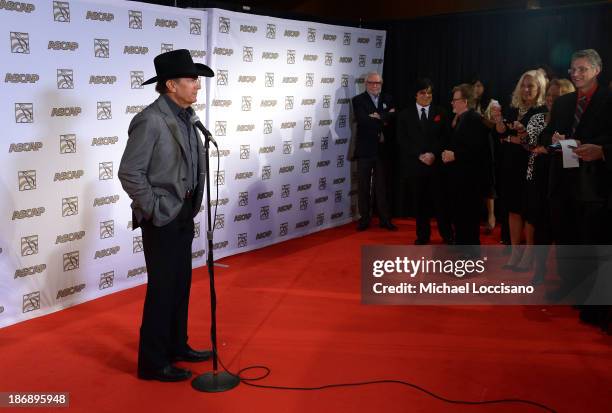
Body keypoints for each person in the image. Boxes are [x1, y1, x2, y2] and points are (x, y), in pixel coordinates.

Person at [118, 49, 214, 382]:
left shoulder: (188, 117)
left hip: (184, 213)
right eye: (191, 79)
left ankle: (177, 346)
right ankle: (152, 363)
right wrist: (156, 208)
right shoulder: (151, 119)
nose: (197, 85)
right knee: (162, 289)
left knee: (181, 285)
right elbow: (130, 172)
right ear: (171, 84)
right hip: (162, 217)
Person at [541, 49, 612, 306]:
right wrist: (552, 139)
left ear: (597, 70)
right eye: (573, 69)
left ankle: (592, 298)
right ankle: (568, 286)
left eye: (583, 69)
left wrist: (601, 150)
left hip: (594, 185)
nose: (577, 73)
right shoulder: (563, 102)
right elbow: (546, 134)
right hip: (562, 181)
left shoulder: (609, 99)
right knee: (565, 238)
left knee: (589, 240)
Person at [491, 70, 547, 271]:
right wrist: (498, 122)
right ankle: (515, 252)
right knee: (513, 209)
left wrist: (514, 137)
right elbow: (501, 133)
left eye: (530, 86)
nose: (526, 89)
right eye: (523, 85)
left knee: (529, 211)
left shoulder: (542, 110)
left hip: (531, 166)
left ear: (539, 88)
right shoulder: (514, 108)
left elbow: (536, 142)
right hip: (510, 164)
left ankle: (529, 254)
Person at [524, 79, 575, 284]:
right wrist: (549, 145)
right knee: (541, 226)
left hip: (566, 181)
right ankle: (539, 270)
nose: (554, 100)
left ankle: (566, 277)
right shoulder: (543, 118)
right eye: (551, 96)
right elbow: (536, 143)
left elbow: (572, 154)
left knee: (564, 230)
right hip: (542, 178)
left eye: (559, 96)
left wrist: (558, 146)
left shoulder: (574, 118)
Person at [396, 78, 452, 244]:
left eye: (429, 92)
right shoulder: (404, 115)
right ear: (416, 95)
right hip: (416, 166)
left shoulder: (441, 112)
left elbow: (445, 137)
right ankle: (422, 235)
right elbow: (402, 140)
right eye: (423, 92)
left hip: (437, 166)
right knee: (420, 204)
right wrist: (419, 155)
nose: (427, 95)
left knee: (441, 203)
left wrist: (433, 154)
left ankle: (447, 234)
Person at [442, 84, 489, 253]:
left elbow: (477, 150)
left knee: (467, 222)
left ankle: (468, 261)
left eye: (455, 100)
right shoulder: (464, 119)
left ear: (465, 101)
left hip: (469, 183)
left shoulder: (473, 120)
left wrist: (455, 155)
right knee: (462, 222)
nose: (452, 103)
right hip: (461, 181)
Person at [352, 71, 397, 231]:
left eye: (378, 83)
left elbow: (394, 117)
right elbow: (363, 121)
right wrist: (385, 118)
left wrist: (379, 116)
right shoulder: (358, 100)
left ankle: (385, 219)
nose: (375, 85)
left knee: (382, 186)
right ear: (366, 84)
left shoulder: (388, 98)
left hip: (383, 150)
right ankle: (364, 219)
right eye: (372, 83)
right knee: (363, 186)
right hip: (365, 149)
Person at [471, 77, 499, 235]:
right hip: (470, 146)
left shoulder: (493, 103)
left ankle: (491, 216)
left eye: (480, 85)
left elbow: (494, 125)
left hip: (487, 145)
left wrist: (478, 117)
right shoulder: (468, 101)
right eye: (474, 85)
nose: (476, 89)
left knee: (488, 181)